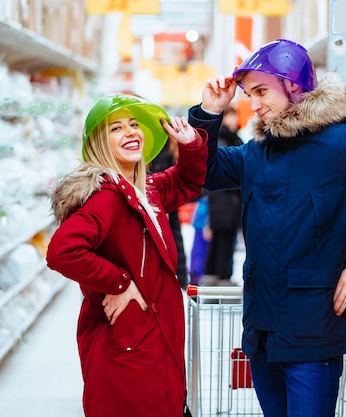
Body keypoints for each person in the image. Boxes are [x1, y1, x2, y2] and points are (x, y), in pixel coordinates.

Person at [187, 39, 346, 417]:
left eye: (261, 91)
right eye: (248, 94)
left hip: (313, 333)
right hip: (261, 332)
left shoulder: (341, 146)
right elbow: (203, 174)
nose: (254, 105)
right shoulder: (258, 149)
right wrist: (208, 113)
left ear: (293, 85)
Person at [46, 94, 207, 417]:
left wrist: (190, 145)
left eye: (135, 125)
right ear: (99, 144)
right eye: (116, 128)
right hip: (127, 343)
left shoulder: (145, 190)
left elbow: (187, 182)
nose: (130, 132)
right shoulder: (107, 197)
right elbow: (62, 251)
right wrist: (119, 283)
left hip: (150, 336)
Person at [200, 105, 244, 286]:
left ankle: (213, 277)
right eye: (231, 117)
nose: (234, 121)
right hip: (226, 203)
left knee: (219, 243)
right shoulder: (228, 140)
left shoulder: (226, 139)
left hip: (220, 204)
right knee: (225, 242)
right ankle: (223, 278)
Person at [150, 136, 190, 290]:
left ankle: (176, 284)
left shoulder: (167, 148)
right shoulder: (169, 148)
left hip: (165, 208)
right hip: (162, 207)